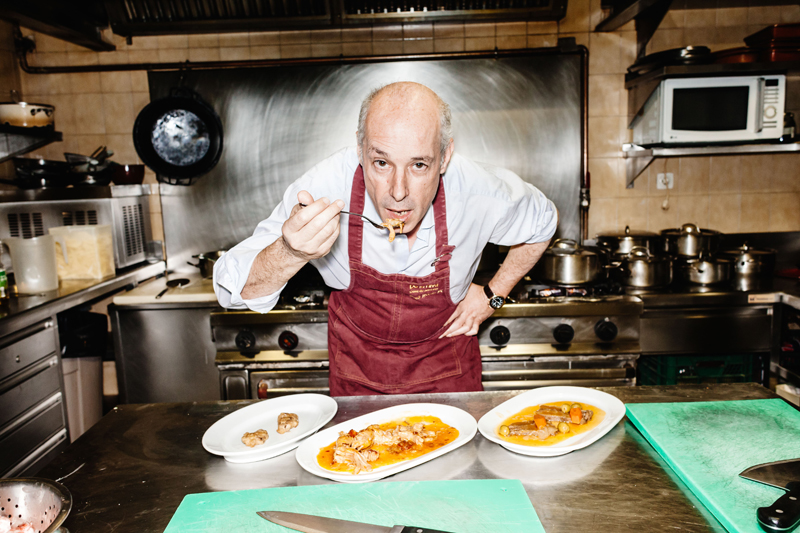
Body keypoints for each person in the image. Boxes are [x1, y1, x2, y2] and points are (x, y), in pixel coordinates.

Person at [214, 82, 557, 396]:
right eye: (381, 162)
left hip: (447, 375)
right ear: (361, 151)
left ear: (445, 157)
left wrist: (493, 296)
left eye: (419, 165)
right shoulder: (327, 187)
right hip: (357, 376)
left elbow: (543, 222)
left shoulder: (476, 190)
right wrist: (289, 251)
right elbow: (233, 289)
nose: (398, 192)